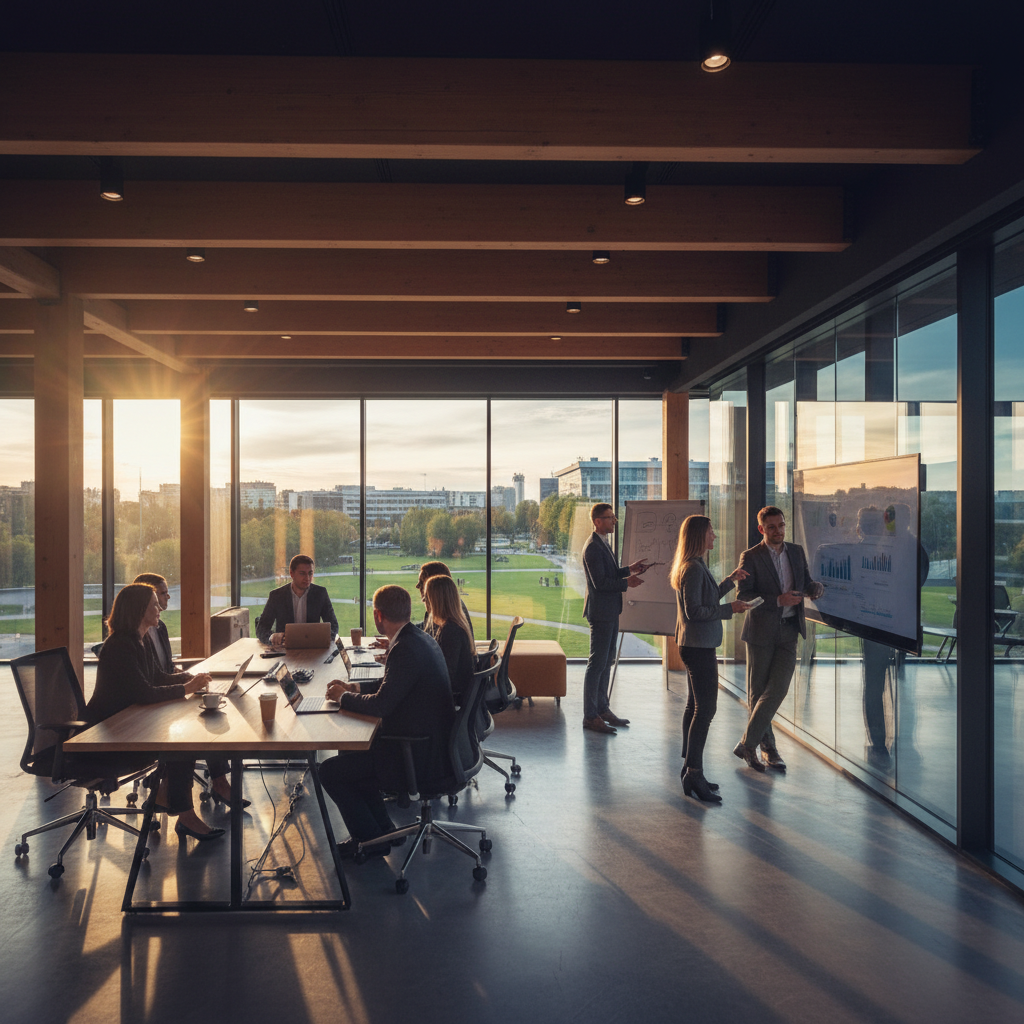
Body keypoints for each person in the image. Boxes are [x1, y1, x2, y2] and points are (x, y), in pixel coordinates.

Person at [85, 583, 236, 840]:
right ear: (138, 609)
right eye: (154, 604)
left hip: (133, 721)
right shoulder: (120, 645)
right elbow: (144, 692)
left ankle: (170, 801)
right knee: (181, 744)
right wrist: (187, 688)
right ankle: (184, 814)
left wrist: (191, 679)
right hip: (112, 733)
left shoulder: (140, 639)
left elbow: (158, 677)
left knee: (189, 735)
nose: (160, 609)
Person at [322, 585, 455, 859]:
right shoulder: (418, 638)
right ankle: (381, 831)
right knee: (351, 756)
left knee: (329, 771)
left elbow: (382, 705)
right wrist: (356, 688)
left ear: (378, 615)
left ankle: (371, 841)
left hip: (416, 757)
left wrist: (343, 698)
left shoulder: (404, 649)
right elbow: (393, 685)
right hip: (433, 747)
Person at [734, 506, 824, 772]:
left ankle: (747, 744)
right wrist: (777, 600)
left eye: (781, 525)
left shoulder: (796, 551)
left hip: (789, 631)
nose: (778, 531)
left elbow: (805, 582)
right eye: (772, 527)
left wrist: (814, 588)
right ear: (761, 529)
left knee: (779, 689)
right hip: (760, 632)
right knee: (758, 692)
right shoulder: (751, 556)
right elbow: (744, 596)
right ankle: (768, 749)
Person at [670, 515, 750, 802]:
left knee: (695, 707)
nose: (714, 536)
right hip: (698, 646)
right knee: (705, 710)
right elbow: (695, 611)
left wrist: (730, 580)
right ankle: (693, 772)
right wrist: (731, 609)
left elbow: (708, 597)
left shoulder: (695, 565)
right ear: (698, 536)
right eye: (711, 532)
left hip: (696, 644)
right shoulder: (692, 568)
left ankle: (690, 769)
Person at [580, 502, 650, 734]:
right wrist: (626, 583)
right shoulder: (592, 547)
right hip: (601, 613)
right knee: (597, 664)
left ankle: (602, 709)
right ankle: (590, 716)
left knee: (607, 661)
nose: (614, 521)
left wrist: (629, 569)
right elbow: (600, 583)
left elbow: (609, 574)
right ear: (597, 521)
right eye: (610, 518)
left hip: (610, 611)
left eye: (613, 517)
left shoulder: (603, 543)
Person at [372, 560, 474, 650]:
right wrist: (398, 639)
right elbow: (425, 629)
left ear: (435, 584)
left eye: (421, 583)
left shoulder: (450, 627)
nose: (417, 586)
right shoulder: (449, 610)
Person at [256, 553, 338, 644]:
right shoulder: (277, 596)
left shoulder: (320, 594)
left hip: (313, 647)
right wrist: (272, 637)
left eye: (310, 573)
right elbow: (261, 629)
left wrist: (323, 639)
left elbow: (333, 626)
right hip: (284, 648)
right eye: (302, 573)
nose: (307, 578)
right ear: (292, 573)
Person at [423, 574, 475, 705]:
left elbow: (445, 677)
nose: (424, 600)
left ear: (437, 600)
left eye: (427, 596)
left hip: (451, 699)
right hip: (452, 693)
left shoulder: (451, 631)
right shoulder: (452, 625)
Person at [133, 572, 174, 672]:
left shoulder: (161, 627)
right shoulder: (133, 634)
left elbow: (169, 668)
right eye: (163, 593)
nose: (168, 597)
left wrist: (187, 677)